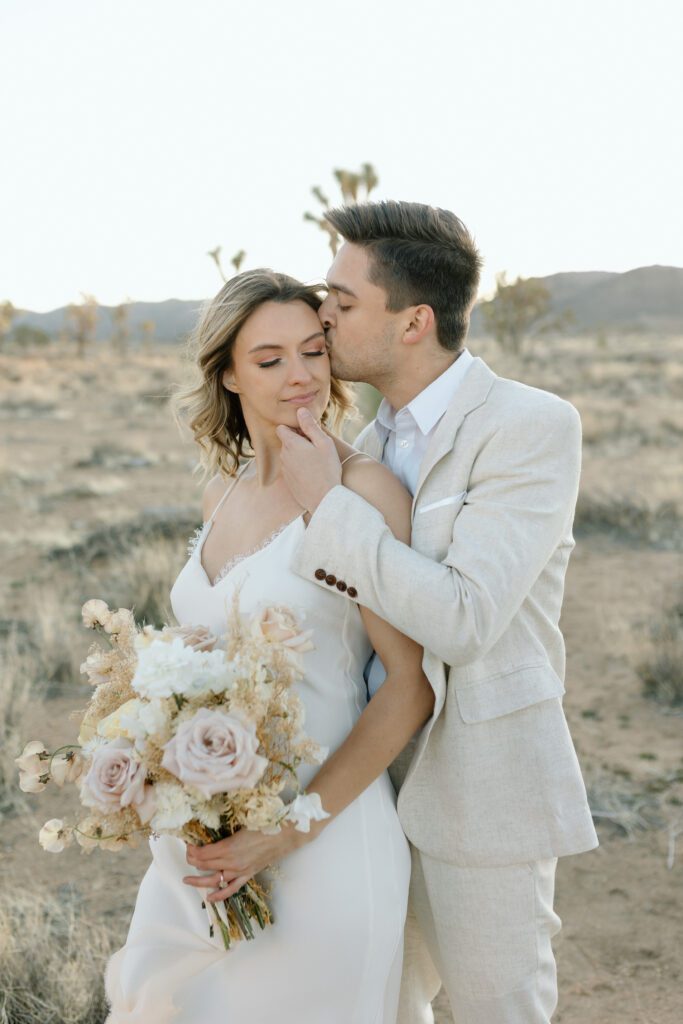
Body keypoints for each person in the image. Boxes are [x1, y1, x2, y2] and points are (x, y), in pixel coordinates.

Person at [276, 200, 599, 1024]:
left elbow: (463, 618)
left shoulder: (528, 425)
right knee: (376, 1007)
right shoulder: (365, 448)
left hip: (483, 783)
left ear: (414, 320)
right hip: (367, 781)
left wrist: (331, 510)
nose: (323, 316)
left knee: (499, 1009)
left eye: (343, 302)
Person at [103, 269, 435, 1024]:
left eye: (314, 352)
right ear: (225, 371)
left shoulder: (366, 491)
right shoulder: (218, 494)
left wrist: (281, 834)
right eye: (270, 358)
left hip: (325, 841)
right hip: (205, 850)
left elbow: (408, 688)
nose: (300, 377)